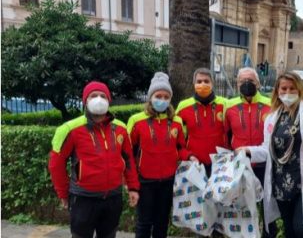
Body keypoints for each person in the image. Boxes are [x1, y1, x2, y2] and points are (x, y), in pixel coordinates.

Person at [237, 72, 303, 238]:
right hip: (281, 182)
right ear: (277, 90)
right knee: (289, 229)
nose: (288, 92)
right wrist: (248, 150)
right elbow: (268, 150)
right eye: (284, 88)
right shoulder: (272, 117)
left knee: (302, 230)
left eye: (292, 88)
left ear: (300, 89)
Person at [48, 81, 140, 238]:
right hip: (83, 199)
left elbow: (128, 159)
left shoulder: (120, 129)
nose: (99, 99)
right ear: (85, 101)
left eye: (103, 96)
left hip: (113, 197)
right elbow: (56, 164)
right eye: (93, 96)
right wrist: (63, 194)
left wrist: (133, 187)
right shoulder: (69, 129)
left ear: (109, 100)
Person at [127, 72, 197, 238]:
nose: (162, 100)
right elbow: (128, 154)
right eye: (158, 96)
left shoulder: (176, 122)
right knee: (144, 223)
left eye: (166, 96)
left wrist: (190, 156)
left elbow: (180, 148)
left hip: (168, 181)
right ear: (151, 97)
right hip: (145, 181)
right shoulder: (136, 121)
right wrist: (130, 183)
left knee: (162, 222)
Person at [224, 67, 278, 238]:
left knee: (267, 209)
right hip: (240, 166)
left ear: (258, 83)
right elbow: (225, 135)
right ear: (237, 83)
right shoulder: (229, 105)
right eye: (242, 81)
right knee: (241, 209)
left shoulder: (271, 104)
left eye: (251, 81)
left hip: (265, 165)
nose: (247, 84)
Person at [175, 67, 226, 176]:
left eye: (206, 81)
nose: (203, 84)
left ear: (212, 83)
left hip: (220, 163)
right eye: (199, 81)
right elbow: (176, 139)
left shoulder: (225, 104)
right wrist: (187, 155)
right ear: (194, 84)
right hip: (194, 163)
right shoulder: (183, 106)